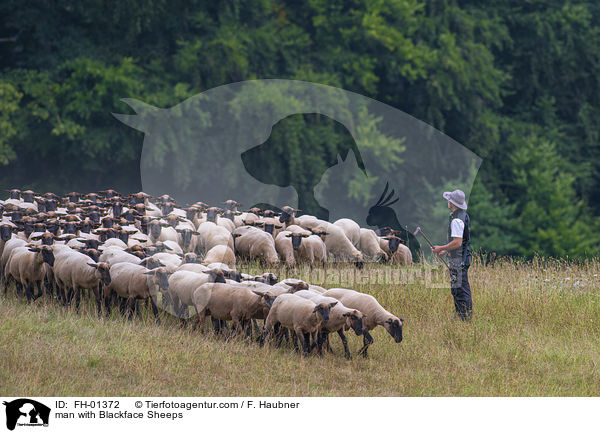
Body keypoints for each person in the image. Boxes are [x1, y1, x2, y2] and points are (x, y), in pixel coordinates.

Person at [432, 189, 472, 320]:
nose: (447, 201)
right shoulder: (462, 215)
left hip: (458, 260)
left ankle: (464, 318)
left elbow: (457, 242)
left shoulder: (456, 220)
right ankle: (461, 317)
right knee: (458, 289)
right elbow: (459, 243)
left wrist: (441, 248)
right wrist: (446, 251)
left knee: (460, 291)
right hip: (460, 258)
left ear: (452, 203)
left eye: (449, 200)